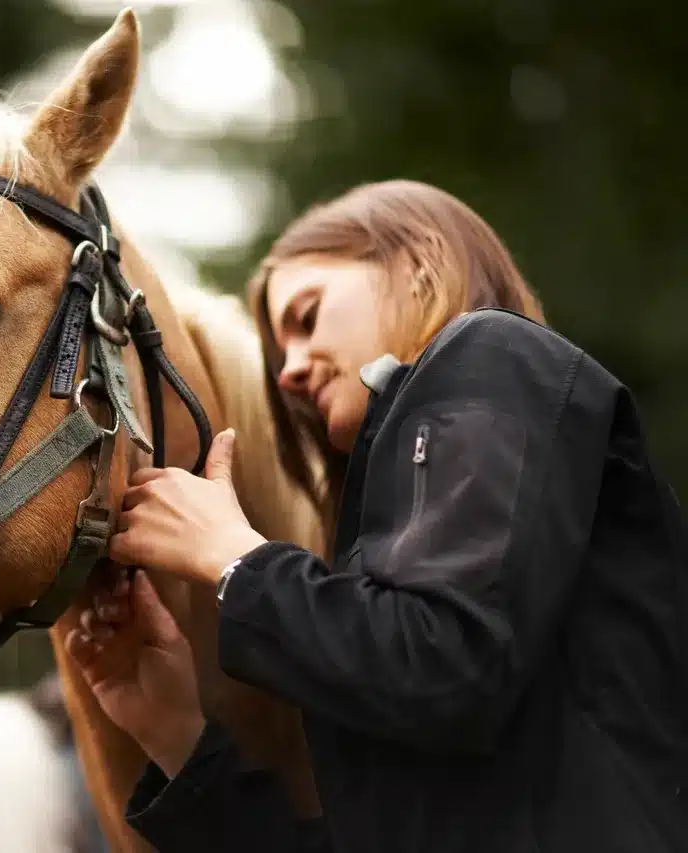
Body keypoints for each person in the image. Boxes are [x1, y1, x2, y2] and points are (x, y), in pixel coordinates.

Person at [66, 180, 688, 853]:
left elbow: (445, 661)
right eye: (278, 357)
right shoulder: (387, 561)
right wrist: (176, 733)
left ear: (418, 262)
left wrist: (236, 561)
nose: (291, 372)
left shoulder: (492, 356)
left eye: (306, 317)